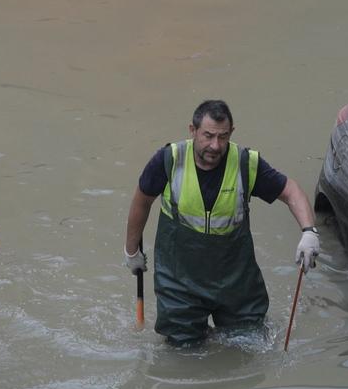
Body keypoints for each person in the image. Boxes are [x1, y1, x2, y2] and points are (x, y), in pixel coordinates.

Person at [123, 99, 320, 347]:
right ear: (192, 130)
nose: (215, 146)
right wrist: (132, 252)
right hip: (180, 282)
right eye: (208, 136)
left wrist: (309, 231)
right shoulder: (169, 160)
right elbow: (141, 202)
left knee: (249, 344)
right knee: (183, 353)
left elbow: (291, 191)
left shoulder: (245, 163)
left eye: (223, 137)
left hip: (236, 281)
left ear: (232, 133)